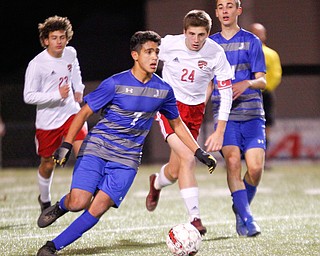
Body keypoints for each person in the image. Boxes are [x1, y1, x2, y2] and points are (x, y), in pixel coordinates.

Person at [36, 30, 216, 256]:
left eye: (157, 52)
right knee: (79, 202)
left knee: (98, 207)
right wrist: (67, 144)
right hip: (98, 148)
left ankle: (52, 246)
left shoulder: (163, 90)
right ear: (135, 55)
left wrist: (199, 152)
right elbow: (82, 114)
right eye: (148, 52)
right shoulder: (115, 83)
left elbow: (177, 124)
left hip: (127, 159)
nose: (154, 57)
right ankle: (62, 206)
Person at [145, 10, 233, 235]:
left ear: (208, 34)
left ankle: (156, 182)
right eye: (191, 34)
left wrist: (220, 130)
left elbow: (226, 92)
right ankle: (195, 218)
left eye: (201, 35)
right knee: (188, 158)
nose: (196, 40)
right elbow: (144, 57)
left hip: (195, 113)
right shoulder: (168, 44)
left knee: (175, 170)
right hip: (170, 109)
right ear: (184, 32)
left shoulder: (216, 53)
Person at [208, 0, 267, 237]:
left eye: (229, 6)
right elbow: (207, 82)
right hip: (226, 117)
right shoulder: (210, 44)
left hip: (252, 115)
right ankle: (247, 218)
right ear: (216, 12)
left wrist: (247, 82)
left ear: (238, 11)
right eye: (221, 6)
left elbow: (263, 80)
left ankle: (240, 206)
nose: (225, 10)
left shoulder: (251, 41)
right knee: (232, 161)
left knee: (255, 169)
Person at [23, 16, 87, 215]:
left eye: (62, 37)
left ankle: (83, 195)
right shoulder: (37, 64)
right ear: (45, 40)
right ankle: (44, 199)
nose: (59, 41)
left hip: (71, 114)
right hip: (48, 122)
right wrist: (55, 95)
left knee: (84, 151)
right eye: (54, 38)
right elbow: (28, 96)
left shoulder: (70, 53)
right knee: (48, 164)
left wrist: (79, 88)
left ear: (67, 38)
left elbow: (74, 69)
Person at [249, 23, 282, 169]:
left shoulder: (271, 54)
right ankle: (237, 157)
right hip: (247, 94)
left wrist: (263, 86)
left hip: (265, 94)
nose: (257, 36)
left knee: (266, 126)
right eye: (254, 33)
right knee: (244, 125)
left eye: (259, 33)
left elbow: (276, 74)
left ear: (264, 35)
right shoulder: (245, 52)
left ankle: (264, 158)